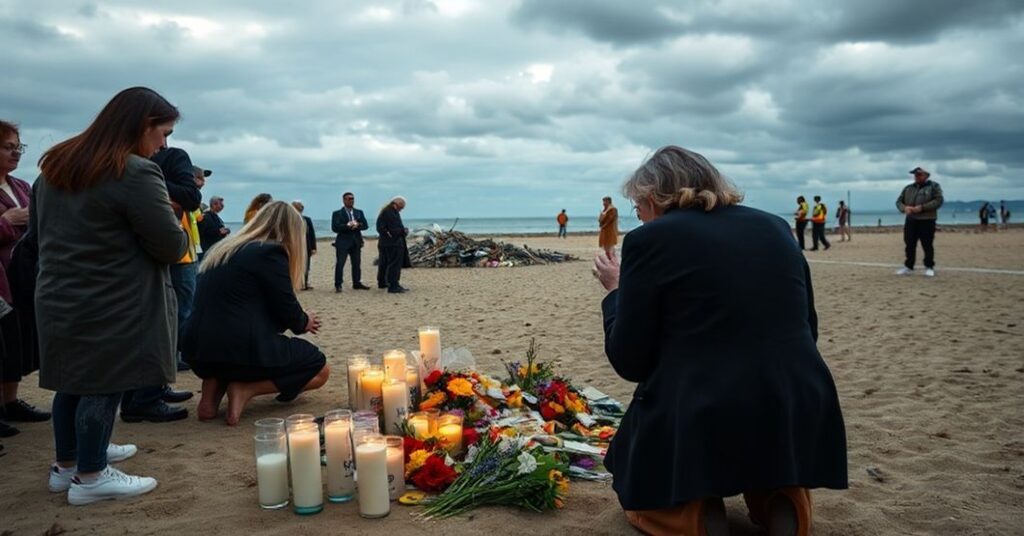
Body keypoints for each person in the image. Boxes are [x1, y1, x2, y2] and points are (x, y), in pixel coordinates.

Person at [592, 145, 847, 536]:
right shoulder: (775, 227)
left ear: (655, 197)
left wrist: (615, 291)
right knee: (755, 418)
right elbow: (808, 326)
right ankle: (784, 498)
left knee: (636, 472)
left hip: (707, 405)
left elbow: (630, 361)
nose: (638, 217)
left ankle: (692, 515)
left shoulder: (652, 239)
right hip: (798, 399)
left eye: (638, 206)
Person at [33, 87, 189, 504]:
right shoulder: (134, 172)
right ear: (143, 126)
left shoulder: (55, 167)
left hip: (57, 293)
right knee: (105, 382)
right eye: (163, 133)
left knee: (72, 381)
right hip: (115, 298)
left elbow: (38, 235)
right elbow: (171, 246)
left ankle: (69, 464)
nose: (163, 145)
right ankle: (92, 474)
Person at [182, 201, 329, 426]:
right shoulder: (270, 252)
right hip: (235, 349)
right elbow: (286, 307)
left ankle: (211, 392)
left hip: (197, 350)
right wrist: (304, 321)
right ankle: (245, 389)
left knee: (227, 346)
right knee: (319, 367)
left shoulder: (223, 250)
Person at [0, 121, 51, 437]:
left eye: (19, 147)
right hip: (2, 277)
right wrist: (6, 222)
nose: (16, 153)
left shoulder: (20, 186)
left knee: (16, 340)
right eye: (8, 147)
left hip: (22, 274)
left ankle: (11, 400)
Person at [896, 167, 944, 277]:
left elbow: (938, 201)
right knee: (909, 244)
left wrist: (922, 208)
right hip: (911, 220)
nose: (917, 176)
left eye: (919, 174)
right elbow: (899, 201)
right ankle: (908, 266)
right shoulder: (908, 188)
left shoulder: (934, 186)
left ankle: (929, 266)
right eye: (915, 175)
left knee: (927, 244)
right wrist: (904, 208)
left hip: (927, 220)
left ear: (926, 175)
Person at [331, 192, 370, 292]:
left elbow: (365, 225)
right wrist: (347, 226)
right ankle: (338, 284)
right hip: (343, 242)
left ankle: (357, 283)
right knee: (340, 264)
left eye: (352, 198)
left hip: (356, 241)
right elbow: (335, 228)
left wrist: (357, 225)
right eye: (349, 199)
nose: (351, 200)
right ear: (343, 200)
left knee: (356, 264)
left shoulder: (359, 212)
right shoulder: (337, 213)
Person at [376, 196, 409, 293]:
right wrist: (403, 231)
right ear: (396, 204)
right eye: (400, 207)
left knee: (384, 263)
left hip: (384, 243)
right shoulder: (390, 213)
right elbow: (393, 230)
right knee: (394, 264)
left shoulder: (385, 212)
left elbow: (382, 228)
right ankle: (393, 285)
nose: (401, 210)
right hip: (393, 243)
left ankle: (382, 282)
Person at [291, 201, 317, 290]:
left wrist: (313, 247)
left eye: (301, 207)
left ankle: (304, 283)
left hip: (306, 246)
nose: (300, 208)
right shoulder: (289, 220)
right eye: (298, 207)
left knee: (306, 265)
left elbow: (312, 234)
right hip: (294, 246)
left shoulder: (307, 219)